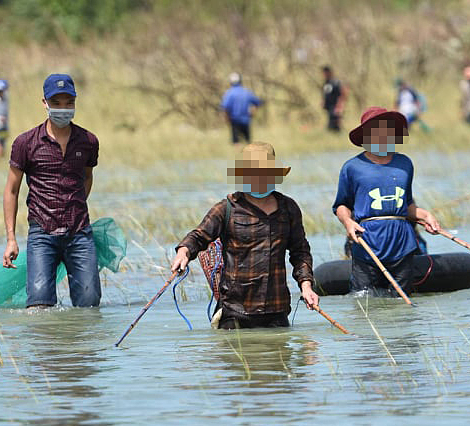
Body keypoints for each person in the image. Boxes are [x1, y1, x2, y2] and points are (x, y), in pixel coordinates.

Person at [171, 142, 319, 329]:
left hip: (277, 310)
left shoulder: (288, 208)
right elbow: (198, 236)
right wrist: (183, 252)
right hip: (234, 312)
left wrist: (306, 287)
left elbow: (300, 252)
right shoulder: (226, 209)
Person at [2, 73, 101, 308]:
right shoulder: (25, 143)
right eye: (56, 103)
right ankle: (49, 345)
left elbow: (87, 178)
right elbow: (11, 191)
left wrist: (71, 206)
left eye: (69, 103)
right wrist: (11, 239)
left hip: (79, 233)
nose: (63, 109)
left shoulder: (88, 141)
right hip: (42, 234)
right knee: (39, 305)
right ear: (45, 103)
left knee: (89, 302)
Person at [333, 107, 440, 296]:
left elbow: (405, 206)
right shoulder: (352, 167)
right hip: (367, 244)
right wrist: (348, 223)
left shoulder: (405, 164)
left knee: (401, 301)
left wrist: (426, 216)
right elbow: (341, 205)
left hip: (402, 245)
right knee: (363, 299)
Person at [220, 73, 262, 147]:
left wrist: (226, 119)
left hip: (235, 121)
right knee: (247, 142)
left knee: (236, 143)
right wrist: (252, 113)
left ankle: (237, 157)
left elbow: (225, 107)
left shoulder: (229, 93)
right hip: (246, 121)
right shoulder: (247, 92)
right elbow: (257, 102)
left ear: (230, 82)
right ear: (240, 81)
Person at [322, 65, 347, 132]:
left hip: (335, 106)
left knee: (336, 126)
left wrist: (340, 106)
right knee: (330, 126)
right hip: (329, 107)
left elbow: (342, 94)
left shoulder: (336, 82)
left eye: (326, 72)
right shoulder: (326, 82)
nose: (325, 74)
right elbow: (326, 93)